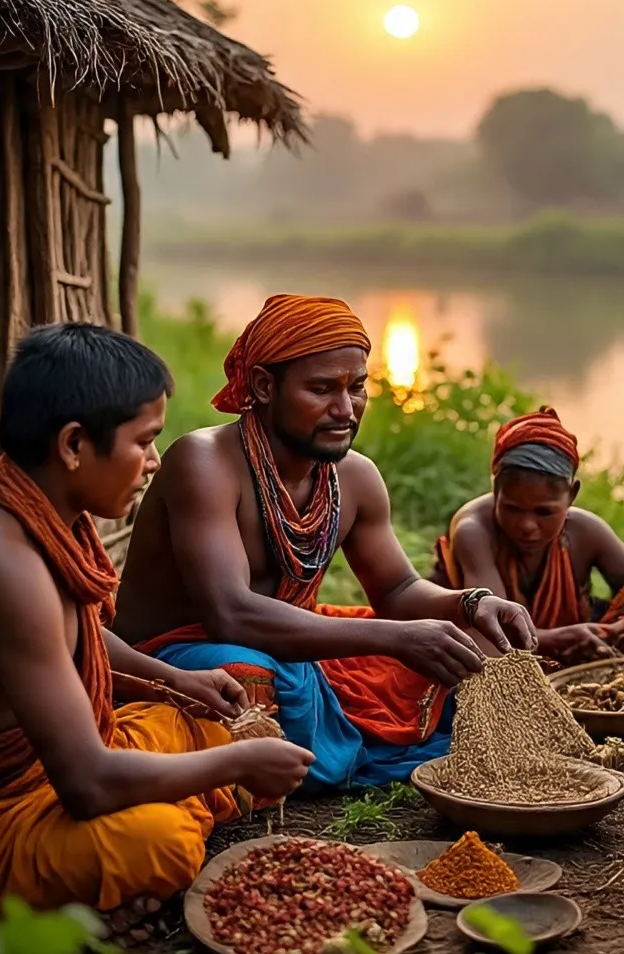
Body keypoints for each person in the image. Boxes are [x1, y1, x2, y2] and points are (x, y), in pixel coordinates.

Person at [0, 324, 314, 915]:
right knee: (161, 842)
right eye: (144, 442)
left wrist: (175, 679)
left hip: (45, 769)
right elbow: (87, 784)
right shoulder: (3, 565)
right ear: (74, 444)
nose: (156, 463)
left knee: (200, 725)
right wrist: (238, 763)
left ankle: (143, 843)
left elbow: (71, 631)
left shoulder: (13, 502)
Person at [115, 294, 537, 790]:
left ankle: (321, 737)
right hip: (176, 655)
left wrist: (469, 603)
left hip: (293, 647)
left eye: (357, 387)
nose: (346, 408)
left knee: (460, 648)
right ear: (264, 386)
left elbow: (398, 590)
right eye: (321, 389)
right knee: (255, 675)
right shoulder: (204, 462)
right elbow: (230, 613)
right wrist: (397, 638)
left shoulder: (354, 477)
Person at [432, 406, 624, 665]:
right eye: (512, 509)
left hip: (563, 643)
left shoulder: (585, 531)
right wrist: (559, 639)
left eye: (544, 512)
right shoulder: (475, 530)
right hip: (479, 647)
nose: (527, 525)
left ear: (571, 496)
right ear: (495, 489)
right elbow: (491, 628)